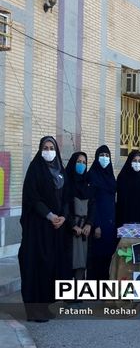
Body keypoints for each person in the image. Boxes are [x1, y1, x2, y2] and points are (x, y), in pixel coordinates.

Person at [19, 136, 68, 322]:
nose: (49, 151)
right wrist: (50, 215)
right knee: (36, 265)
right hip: (38, 228)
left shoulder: (61, 171)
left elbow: (66, 197)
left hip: (56, 228)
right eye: (45, 148)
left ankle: (45, 306)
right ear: (40, 150)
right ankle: (34, 311)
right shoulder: (35, 170)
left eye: (52, 147)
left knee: (50, 267)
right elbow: (33, 198)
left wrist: (63, 216)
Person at [87, 145, 117, 280]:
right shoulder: (92, 175)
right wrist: (96, 224)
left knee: (107, 257)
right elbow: (91, 201)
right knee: (96, 258)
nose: (105, 158)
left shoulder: (110, 175)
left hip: (110, 223)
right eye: (102, 155)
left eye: (107, 156)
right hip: (98, 223)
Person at [65, 151, 95, 282]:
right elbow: (64, 207)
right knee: (71, 261)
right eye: (79, 162)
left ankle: (79, 294)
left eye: (84, 163)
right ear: (73, 163)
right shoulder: (66, 183)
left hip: (85, 230)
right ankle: (69, 295)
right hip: (70, 229)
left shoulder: (87, 184)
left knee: (83, 261)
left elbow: (93, 206)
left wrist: (89, 223)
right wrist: (73, 225)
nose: (81, 165)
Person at [116, 150, 140, 226]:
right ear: (130, 161)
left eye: (139, 161)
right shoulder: (123, 176)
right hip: (126, 217)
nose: (137, 163)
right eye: (134, 160)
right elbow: (120, 199)